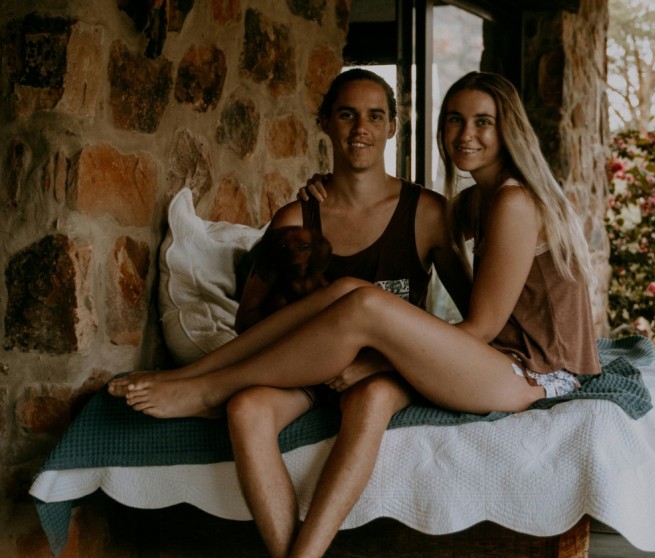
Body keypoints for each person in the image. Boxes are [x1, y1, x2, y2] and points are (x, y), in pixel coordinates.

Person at [111, 70, 602, 554]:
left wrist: (382, 360)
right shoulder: (478, 200)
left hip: (538, 372)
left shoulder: (512, 201)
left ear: (507, 129)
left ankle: (206, 387)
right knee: (343, 296)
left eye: (482, 122)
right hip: (499, 360)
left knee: (362, 300)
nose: (465, 134)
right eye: (454, 120)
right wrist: (318, 196)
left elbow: (482, 324)